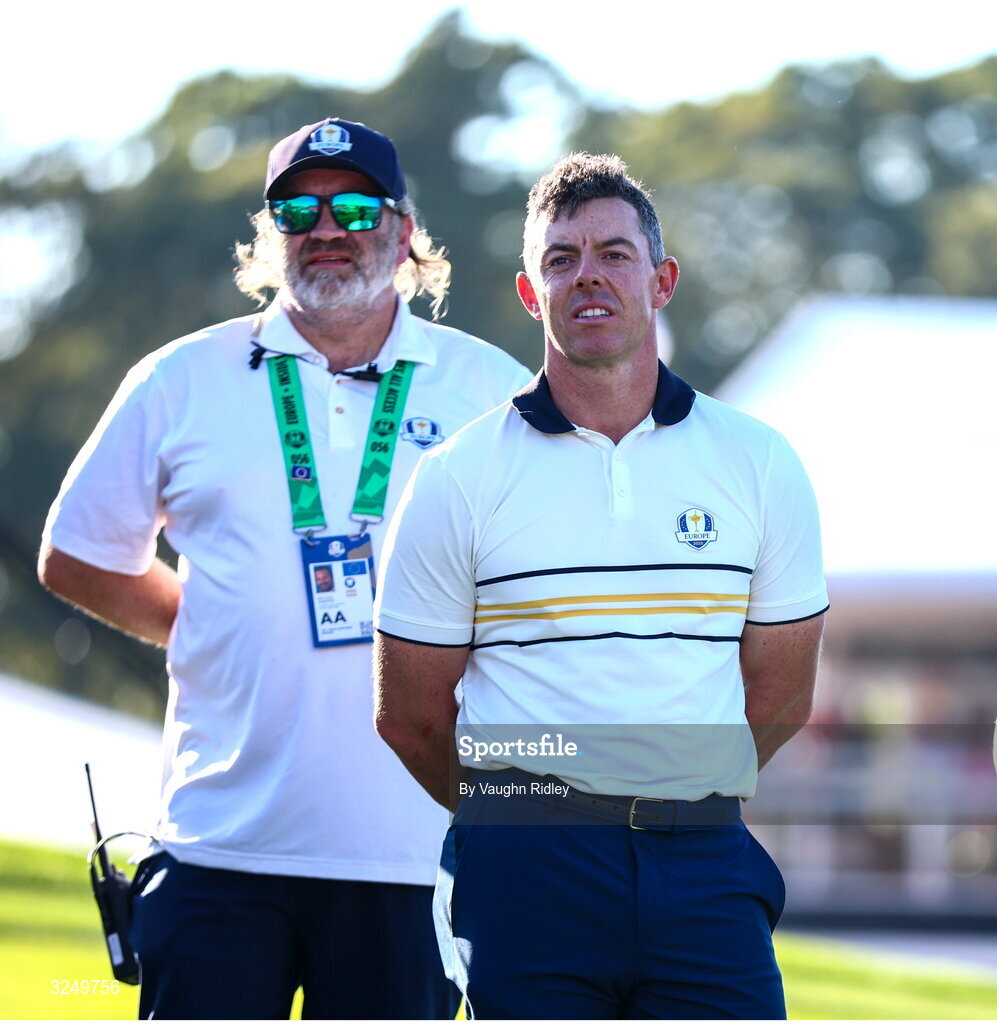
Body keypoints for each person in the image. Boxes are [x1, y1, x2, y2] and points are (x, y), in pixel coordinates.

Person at [39, 117, 531, 1020]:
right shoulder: (180, 378)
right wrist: (211, 623)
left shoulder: (489, 389)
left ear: (404, 229)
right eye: (297, 209)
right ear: (270, 234)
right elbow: (77, 557)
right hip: (217, 849)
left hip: (412, 855)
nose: (326, 228)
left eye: (353, 205)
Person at [373, 152, 828, 1020]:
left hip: (702, 856)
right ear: (527, 292)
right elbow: (410, 715)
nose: (588, 276)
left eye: (613, 255)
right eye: (560, 259)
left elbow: (780, 694)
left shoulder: (760, 462)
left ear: (660, 281)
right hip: (526, 868)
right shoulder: (457, 476)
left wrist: (670, 783)